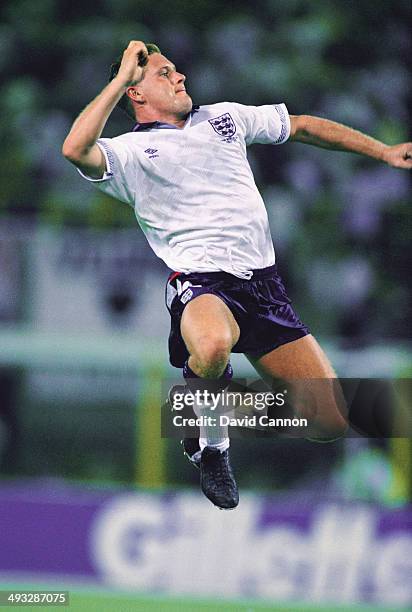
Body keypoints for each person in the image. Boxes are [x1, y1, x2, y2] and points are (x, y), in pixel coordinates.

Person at [62, 41, 412, 510]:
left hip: (263, 286)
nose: (180, 76)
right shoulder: (128, 153)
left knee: (329, 424)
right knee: (210, 346)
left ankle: (200, 405)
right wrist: (121, 78)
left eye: (175, 70)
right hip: (202, 284)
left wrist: (384, 151)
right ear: (135, 94)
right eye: (164, 74)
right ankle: (214, 446)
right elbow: (74, 148)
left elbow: (303, 126)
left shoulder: (224, 117)